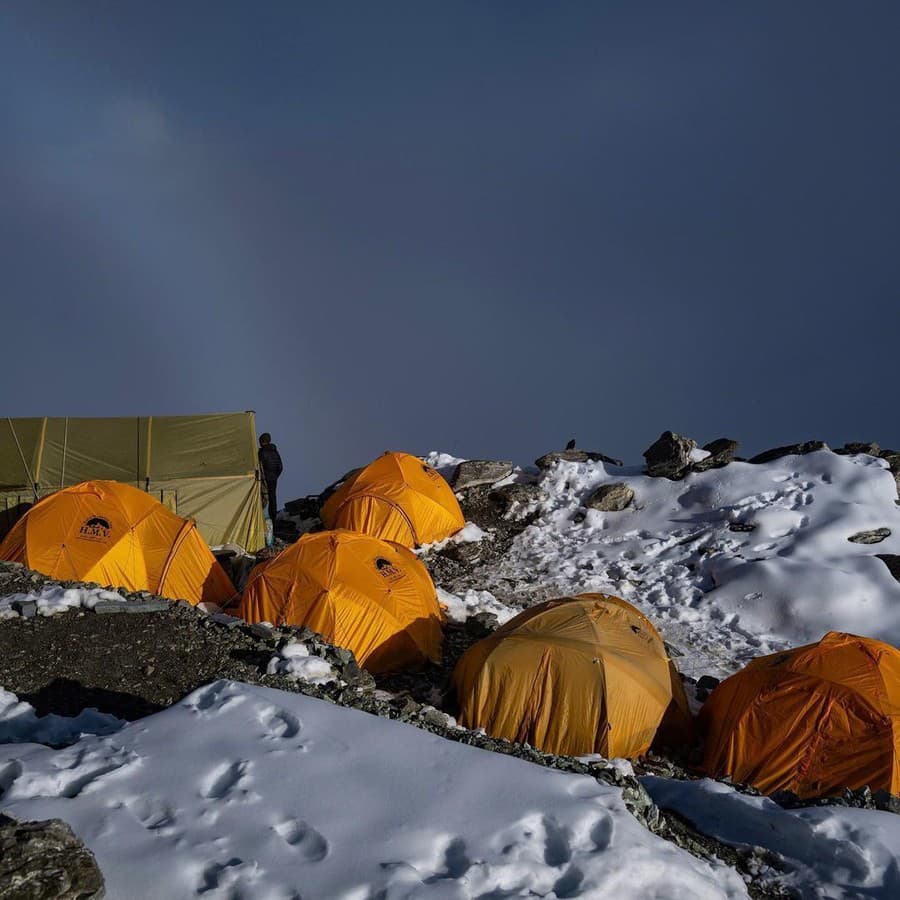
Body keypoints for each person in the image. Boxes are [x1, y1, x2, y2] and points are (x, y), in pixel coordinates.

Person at [258, 432, 283, 525]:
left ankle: (258, 517)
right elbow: (280, 467)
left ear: (262, 442)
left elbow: (258, 466)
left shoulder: (261, 452)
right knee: (272, 498)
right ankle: (273, 519)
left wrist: (263, 477)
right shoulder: (275, 452)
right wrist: (275, 476)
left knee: (261, 498)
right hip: (273, 479)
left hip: (264, 479)